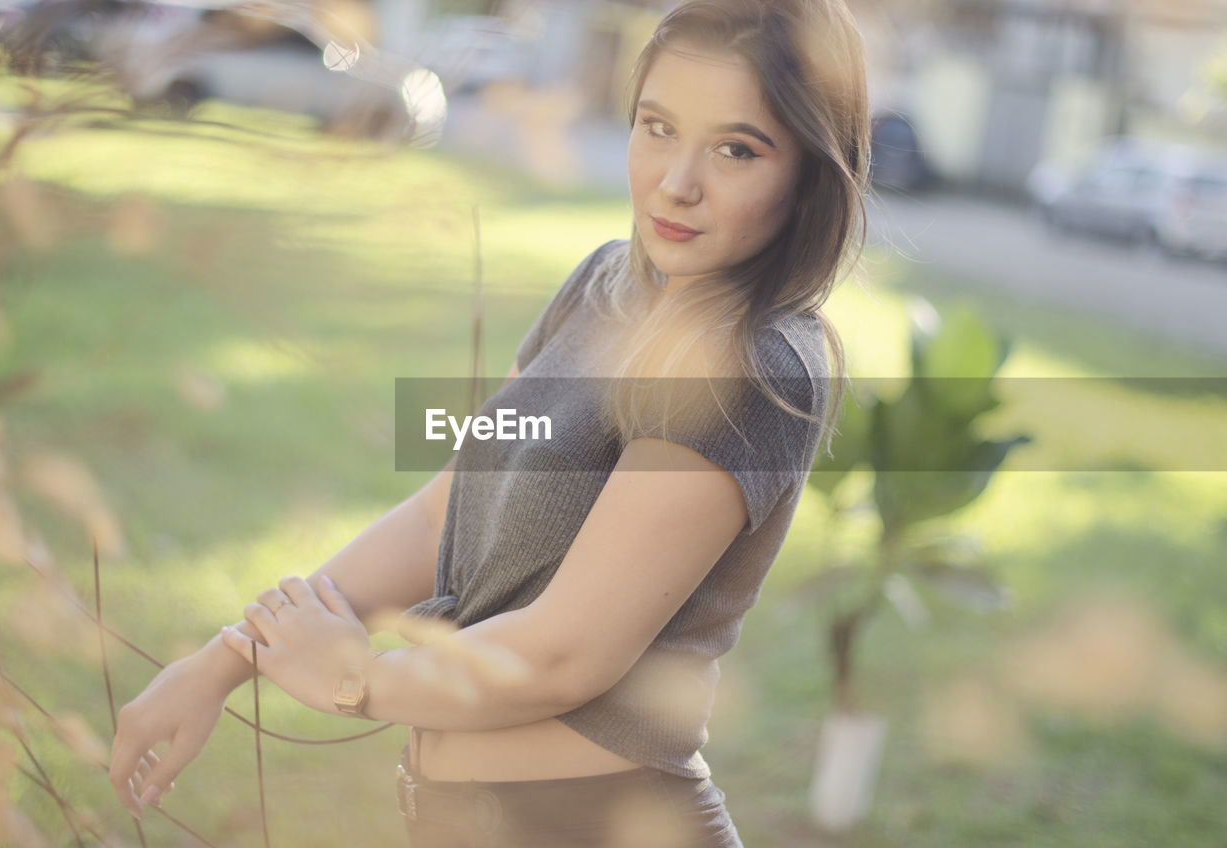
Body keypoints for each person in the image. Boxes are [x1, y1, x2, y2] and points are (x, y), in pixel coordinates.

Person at [108, 1, 871, 845]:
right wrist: (224, 661)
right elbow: (441, 508)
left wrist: (355, 679)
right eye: (657, 127)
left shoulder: (751, 368)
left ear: (810, 171)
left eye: (736, 149)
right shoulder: (607, 286)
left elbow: (562, 657)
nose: (676, 181)